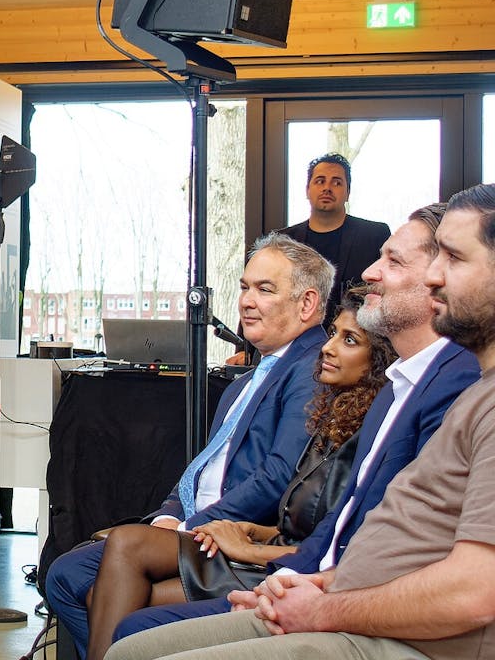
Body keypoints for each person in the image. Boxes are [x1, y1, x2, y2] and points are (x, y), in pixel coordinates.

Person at [105, 185, 495, 660]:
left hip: (395, 631)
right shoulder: (415, 385)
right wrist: (297, 583)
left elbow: (472, 590)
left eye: (453, 258)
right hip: (341, 596)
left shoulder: (458, 386)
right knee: (129, 644)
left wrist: (316, 603)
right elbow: (368, 530)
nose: (370, 273)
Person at [45, 232, 332, 657]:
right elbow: (203, 468)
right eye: (245, 287)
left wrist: (188, 525)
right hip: (192, 525)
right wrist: (168, 515)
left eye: (265, 289)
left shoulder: (311, 368)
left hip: (230, 535)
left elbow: (278, 476)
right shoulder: (244, 383)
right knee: (64, 576)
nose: (247, 302)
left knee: (101, 582)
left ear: (306, 304)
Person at [85, 287, 395, 658]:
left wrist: (248, 547)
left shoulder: (372, 438)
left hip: (280, 568)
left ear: (379, 361)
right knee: (117, 560)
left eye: (349, 340)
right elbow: (305, 520)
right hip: (267, 549)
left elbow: (333, 547)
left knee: (124, 591)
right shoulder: (332, 422)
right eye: (333, 334)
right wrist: (249, 530)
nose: (328, 348)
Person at [281, 152, 390, 321]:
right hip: (297, 333)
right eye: (320, 181)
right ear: (307, 190)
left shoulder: (375, 235)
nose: (327, 188)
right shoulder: (284, 241)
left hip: (356, 331)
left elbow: (388, 292)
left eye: (337, 182)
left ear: (348, 192)